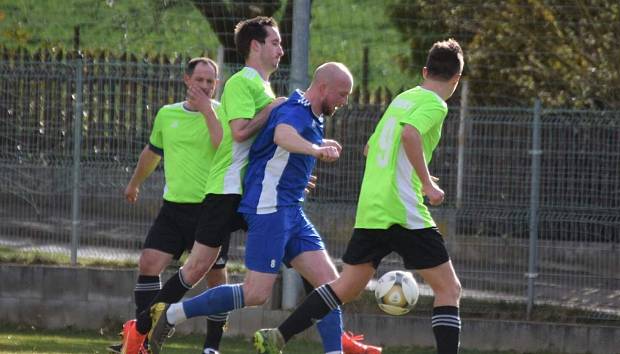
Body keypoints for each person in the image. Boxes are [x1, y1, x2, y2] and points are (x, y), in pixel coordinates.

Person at [252, 38, 465, 354]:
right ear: (457, 79)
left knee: (345, 288)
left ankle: (278, 336)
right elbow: (410, 134)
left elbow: (372, 148)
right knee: (450, 289)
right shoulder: (436, 104)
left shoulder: (403, 99)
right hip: (402, 210)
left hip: (372, 208)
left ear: (424, 71)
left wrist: (414, 173)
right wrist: (426, 183)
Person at [146, 62, 364, 354]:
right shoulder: (295, 110)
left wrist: (320, 142)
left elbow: (278, 145)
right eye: (342, 94)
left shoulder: (311, 114)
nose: (344, 101)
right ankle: (172, 314)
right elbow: (281, 135)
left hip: (291, 211)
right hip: (269, 208)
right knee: (256, 293)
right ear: (323, 88)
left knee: (330, 287)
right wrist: (316, 150)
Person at [111, 57, 229, 354]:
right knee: (148, 264)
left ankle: (211, 346)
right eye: (199, 80)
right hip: (174, 208)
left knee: (216, 279)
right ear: (186, 80)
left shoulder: (222, 114)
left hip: (211, 209)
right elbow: (153, 152)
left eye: (210, 81)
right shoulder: (167, 114)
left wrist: (206, 112)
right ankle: (143, 339)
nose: (204, 86)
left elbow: (222, 144)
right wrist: (135, 182)